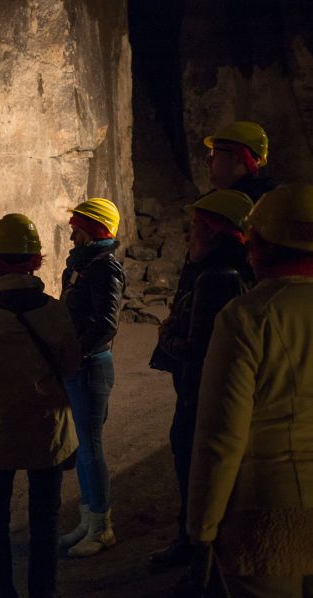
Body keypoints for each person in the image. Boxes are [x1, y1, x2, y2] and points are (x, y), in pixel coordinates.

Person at [187, 184, 313, 597]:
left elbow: (222, 436)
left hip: (267, 514)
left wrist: (202, 526)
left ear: (260, 247)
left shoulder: (248, 317)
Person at [0, 214, 81, 598]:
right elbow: (72, 365)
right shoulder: (56, 312)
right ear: (36, 261)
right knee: (44, 523)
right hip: (46, 432)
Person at [148, 190, 254, 569]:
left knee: (195, 475)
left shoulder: (215, 278)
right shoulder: (235, 271)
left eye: (195, 228)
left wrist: (166, 334)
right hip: (205, 394)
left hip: (198, 397)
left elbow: (198, 347)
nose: (188, 236)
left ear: (214, 231)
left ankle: (198, 560)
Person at [58, 198, 125, 558]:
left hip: (91, 366)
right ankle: (88, 519)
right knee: (84, 446)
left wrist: (77, 351)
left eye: (78, 226)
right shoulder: (85, 265)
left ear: (94, 229)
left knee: (92, 446)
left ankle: (101, 528)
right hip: (80, 364)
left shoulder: (104, 267)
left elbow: (106, 323)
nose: (72, 232)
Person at [204, 120, 276, 200]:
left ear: (238, 158)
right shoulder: (267, 199)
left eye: (214, 152)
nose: (208, 160)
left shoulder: (238, 204)